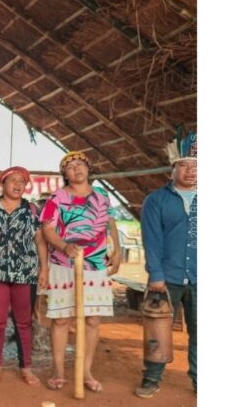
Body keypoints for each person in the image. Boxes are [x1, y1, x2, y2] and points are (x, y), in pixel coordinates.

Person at [40, 151, 121, 393]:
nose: (77, 169)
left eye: (80, 165)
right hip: (64, 264)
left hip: (95, 265)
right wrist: (64, 246)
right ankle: (59, 372)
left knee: (93, 319)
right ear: (65, 174)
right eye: (71, 166)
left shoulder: (102, 196)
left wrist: (116, 252)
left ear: (88, 169)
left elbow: (110, 223)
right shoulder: (58, 198)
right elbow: (47, 229)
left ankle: (85, 371)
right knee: (62, 318)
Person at [0, 167, 47, 386]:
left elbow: (40, 240)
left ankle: (26, 367)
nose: (18, 184)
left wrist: (44, 268)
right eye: (13, 180)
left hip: (26, 273)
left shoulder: (32, 209)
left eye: (22, 182)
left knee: (24, 322)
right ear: (3, 184)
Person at [135, 131, 197, 398]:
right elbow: (152, 239)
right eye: (184, 165)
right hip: (166, 277)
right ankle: (152, 377)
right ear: (172, 170)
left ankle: (200, 379)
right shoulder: (156, 200)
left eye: (196, 166)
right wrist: (156, 275)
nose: (191, 171)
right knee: (157, 330)